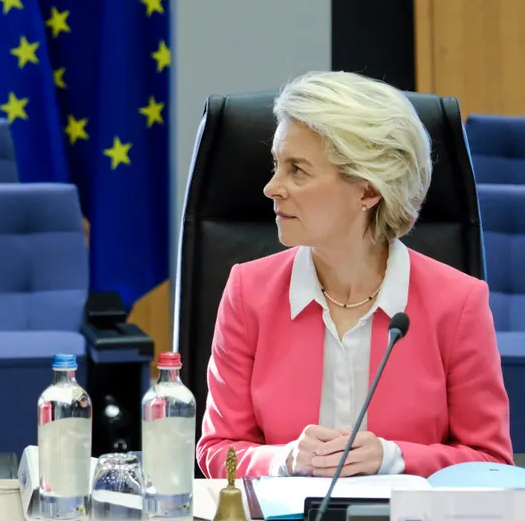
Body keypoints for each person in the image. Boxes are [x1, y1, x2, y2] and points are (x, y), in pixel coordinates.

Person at [196, 71, 513, 479]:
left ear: (367, 191)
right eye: (277, 165)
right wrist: (284, 460)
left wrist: (394, 458)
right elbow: (218, 448)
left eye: (298, 170)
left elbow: (492, 463)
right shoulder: (248, 291)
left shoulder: (458, 303)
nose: (271, 187)